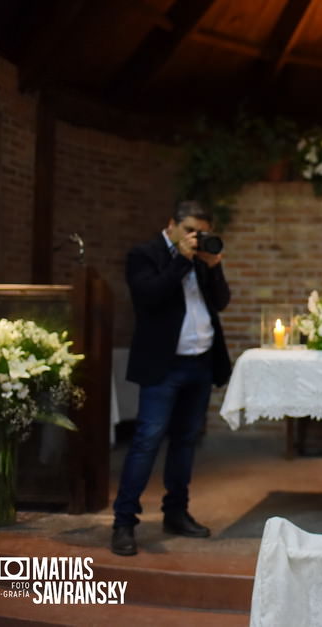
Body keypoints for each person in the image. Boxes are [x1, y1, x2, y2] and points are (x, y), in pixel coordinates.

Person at [111, 200, 232, 556]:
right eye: (191, 230)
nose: (196, 238)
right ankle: (123, 522)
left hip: (200, 362)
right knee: (147, 441)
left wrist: (213, 267)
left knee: (185, 441)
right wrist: (182, 259)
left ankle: (176, 513)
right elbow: (148, 298)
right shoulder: (144, 254)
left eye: (202, 232)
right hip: (164, 366)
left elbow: (221, 301)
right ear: (171, 225)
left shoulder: (201, 257)